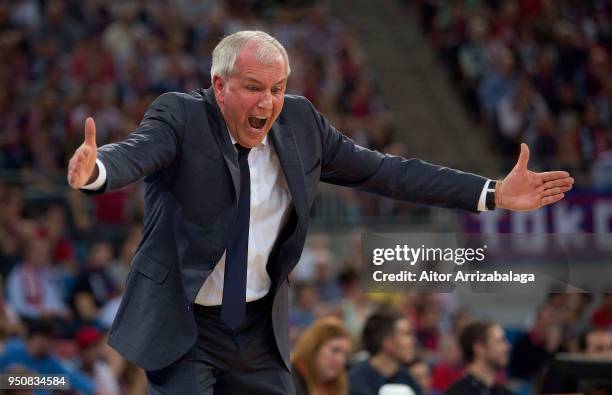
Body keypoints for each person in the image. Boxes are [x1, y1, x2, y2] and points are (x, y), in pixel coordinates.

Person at [66, 30, 574, 394]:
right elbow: (135, 152)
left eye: (278, 88)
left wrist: (492, 193)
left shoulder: (302, 124)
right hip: (184, 325)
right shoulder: (180, 116)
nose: (268, 101)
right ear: (220, 87)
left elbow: (388, 172)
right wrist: (96, 171)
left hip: (257, 332)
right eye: (253, 87)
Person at [348, 310, 422, 395]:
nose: (412, 341)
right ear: (388, 343)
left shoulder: (405, 377)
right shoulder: (357, 380)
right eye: (406, 334)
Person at [444, 321, 512, 395]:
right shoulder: (458, 392)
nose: (508, 347)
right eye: (500, 341)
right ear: (479, 348)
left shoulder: (504, 392)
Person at [291, 316, 352, 395]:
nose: (341, 360)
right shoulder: (289, 381)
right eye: (335, 350)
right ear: (313, 348)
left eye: (345, 354)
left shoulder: (339, 384)